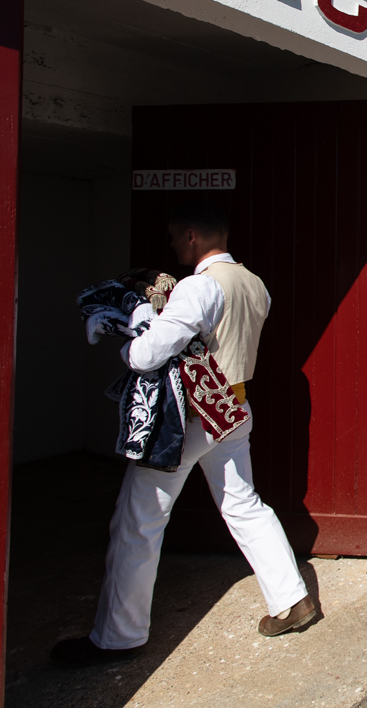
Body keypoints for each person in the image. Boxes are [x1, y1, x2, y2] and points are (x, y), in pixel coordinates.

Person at [52, 202, 315, 668]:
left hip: (190, 417)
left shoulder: (199, 286)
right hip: (233, 406)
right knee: (243, 503)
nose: (173, 245)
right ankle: (292, 599)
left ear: (192, 236)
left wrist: (129, 340)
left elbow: (151, 353)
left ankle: (118, 636)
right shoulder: (256, 285)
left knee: (138, 519)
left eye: (176, 237)